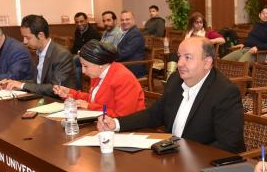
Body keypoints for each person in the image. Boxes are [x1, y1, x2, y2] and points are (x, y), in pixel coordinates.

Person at [98, 37, 244, 153]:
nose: (179, 63)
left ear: (207, 63)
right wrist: (116, 123)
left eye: (188, 57)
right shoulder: (175, 79)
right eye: (179, 56)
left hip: (203, 166)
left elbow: (228, 145)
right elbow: (154, 115)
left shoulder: (225, 92)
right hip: (172, 156)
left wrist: (185, 154)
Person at [53, 40, 145, 117]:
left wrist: (89, 107)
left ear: (99, 63)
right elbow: (93, 99)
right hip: (104, 123)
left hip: (129, 130)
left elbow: (122, 116)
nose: (83, 71)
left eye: (85, 66)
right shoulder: (98, 72)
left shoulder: (123, 79)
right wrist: (69, 93)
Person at [0, 15, 75, 96]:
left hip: (59, 102)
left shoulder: (61, 55)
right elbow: (37, 82)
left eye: (27, 37)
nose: (24, 41)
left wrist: (22, 85)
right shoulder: (39, 52)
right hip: (43, 99)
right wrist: (13, 83)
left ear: (40, 35)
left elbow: (56, 88)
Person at [71, 12, 101, 90]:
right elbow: (75, 46)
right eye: (77, 22)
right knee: (77, 70)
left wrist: (79, 54)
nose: (79, 24)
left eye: (81, 21)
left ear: (87, 20)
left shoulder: (93, 33)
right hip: (81, 59)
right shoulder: (77, 31)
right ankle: (78, 91)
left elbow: (94, 51)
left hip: (91, 59)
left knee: (73, 60)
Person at [117, 10, 146, 78]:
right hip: (125, 64)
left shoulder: (135, 34)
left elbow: (124, 53)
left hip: (132, 67)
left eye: (127, 19)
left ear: (133, 20)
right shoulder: (128, 32)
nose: (124, 22)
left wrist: (109, 58)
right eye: (122, 20)